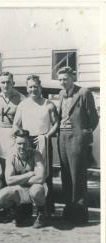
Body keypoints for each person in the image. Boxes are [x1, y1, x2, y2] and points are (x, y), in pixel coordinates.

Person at [56, 66, 99, 224]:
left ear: (72, 78)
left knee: (77, 177)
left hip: (77, 138)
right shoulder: (60, 94)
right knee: (66, 176)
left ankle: (80, 214)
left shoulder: (84, 93)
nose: (63, 82)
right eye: (60, 79)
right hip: (62, 137)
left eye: (65, 79)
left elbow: (94, 118)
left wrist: (84, 135)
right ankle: (69, 211)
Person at [13, 74, 58, 213]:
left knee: (45, 175)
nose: (33, 89)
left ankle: (46, 210)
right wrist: (22, 137)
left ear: (40, 87)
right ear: (27, 89)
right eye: (30, 87)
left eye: (36, 86)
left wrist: (46, 136)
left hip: (43, 140)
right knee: (26, 174)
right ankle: (25, 209)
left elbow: (56, 123)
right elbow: (16, 124)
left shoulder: (48, 104)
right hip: (27, 143)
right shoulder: (23, 104)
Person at [0, 129, 47, 228]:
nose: (22, 147)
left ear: (29, 143)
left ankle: (41, 213)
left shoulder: (36, 154)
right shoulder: (11, 155)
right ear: (15, 143)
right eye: (19, 144)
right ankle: (15, 210)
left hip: (32, 189)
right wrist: (29, 174)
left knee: (37, 189)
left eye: (25, 144)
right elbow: (9, 180)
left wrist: (18, 179)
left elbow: (40, 179)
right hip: (19, 190)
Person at [0, 72, 25, 167]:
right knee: (0, 160)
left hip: (14, 132)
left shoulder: (21, 98)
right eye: (3, 82)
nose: (5, 85)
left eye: (8, 82)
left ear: (13, 83)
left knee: (14, 159)